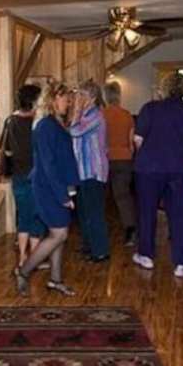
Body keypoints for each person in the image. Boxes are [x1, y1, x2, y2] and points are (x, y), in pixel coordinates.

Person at [133, 73, 183, 277]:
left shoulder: (150, 109)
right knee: (182, 215)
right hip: (181, 169)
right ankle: (182, 262)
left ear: (164, 88)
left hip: (149, 168)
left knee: (147, 212)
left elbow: (138, 141)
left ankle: (146, 255)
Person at [14, 82, 80, 297]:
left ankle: (55, 280)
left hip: (58, 186)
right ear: (52, 100)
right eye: (64, 98)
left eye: (68, 98)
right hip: (47, 188)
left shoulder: (56, 123)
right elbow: (48, 165)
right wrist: (62, 195)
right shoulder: (45, 126)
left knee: (58, 233)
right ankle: (23, 272)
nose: (68, 102)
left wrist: (69, 189)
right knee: (59, 234)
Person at [4, 84, 46, 267]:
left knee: (23, 217)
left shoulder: (10, 121)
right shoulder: (38, 123)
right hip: (36, 176)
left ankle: (22, 258)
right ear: (35, 101)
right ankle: (34, 259)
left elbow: (6, 149)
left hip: (17, 175)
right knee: (36, 218)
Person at [70, 79, 110, 263]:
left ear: (92, 98)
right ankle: (89, 246)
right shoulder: (85, 115)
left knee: (94, 213)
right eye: (78, 94)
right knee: (84, 213)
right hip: (82, 172)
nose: (77, 98)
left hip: (93, 171)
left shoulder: (96, 116)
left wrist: (76, 112)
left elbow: (74, 131)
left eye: (82, 95)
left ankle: (100, 251)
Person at [103, 81, 137, 246]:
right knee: (123, 196)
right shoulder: (127, 115)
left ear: (105, 96)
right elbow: (131, 142)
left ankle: (101, 231)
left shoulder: (101, 115)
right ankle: (130, 230)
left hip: (105, 158)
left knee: (101, 197)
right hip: (124, 158)